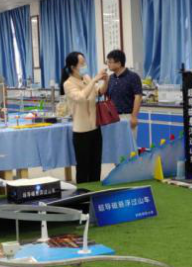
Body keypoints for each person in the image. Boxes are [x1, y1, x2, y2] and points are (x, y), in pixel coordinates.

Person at [61, 51, 108, 183]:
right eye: (82, 63)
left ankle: (95, 191)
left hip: (95, 128)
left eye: (85, 62)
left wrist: (105, 81)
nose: (85, 65)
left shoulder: (86, 78)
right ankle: (83, 193)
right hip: (81, 131)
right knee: (83, 167)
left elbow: (99, 91)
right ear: (73, 67)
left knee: (96, 164)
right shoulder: (68, 84)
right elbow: (81, 97)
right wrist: (94, 80)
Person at [105, 49, 142, 138]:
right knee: (115, 144)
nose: (108, 64)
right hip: (113, 117)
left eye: (110, 62)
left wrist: (134, 116)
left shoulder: (133, 77)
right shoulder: (110, 78)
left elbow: (138, 97)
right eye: (107, 62)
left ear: (119, 63)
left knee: (129, 144)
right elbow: (107, 96)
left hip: (127, 116)